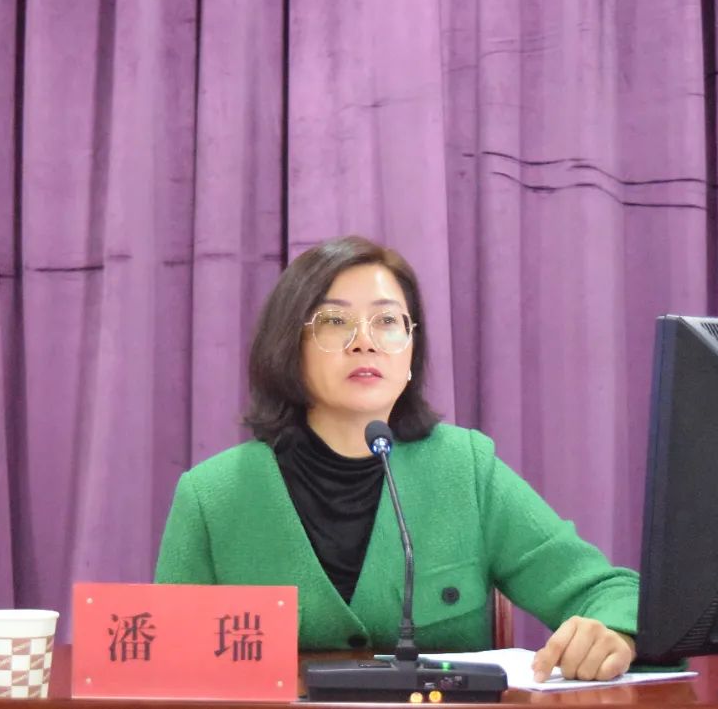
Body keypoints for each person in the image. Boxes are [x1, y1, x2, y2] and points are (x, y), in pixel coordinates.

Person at [155, 236, 639, 682]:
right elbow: (166, 670)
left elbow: (610, 592)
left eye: (387, 322)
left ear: (411, 351)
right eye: (334, 321)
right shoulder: (212, 497)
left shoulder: (466, 470)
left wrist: (613, 633)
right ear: (290, 347)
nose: (364, 341)